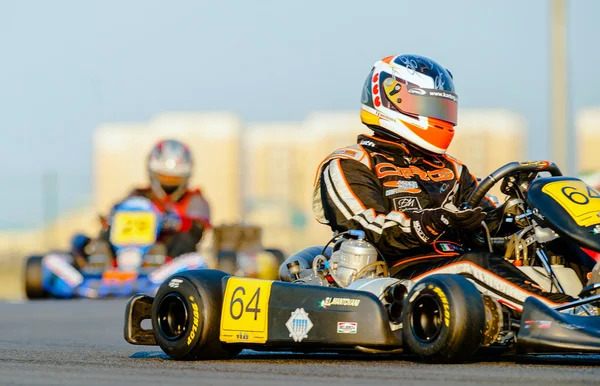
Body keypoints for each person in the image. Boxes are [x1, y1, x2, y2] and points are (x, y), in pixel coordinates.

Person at [312, 54, 587, 310]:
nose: (440, 116)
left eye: (444, 106)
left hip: (455, 266)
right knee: (473, 264)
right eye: (431, 105)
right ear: (390, 100)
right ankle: (564, 313)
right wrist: (437, 220)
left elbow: (489, 224)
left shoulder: (452, 169)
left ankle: (591, 297)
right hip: (395, 273)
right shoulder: (350, 163)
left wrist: (516, 212)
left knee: (554, 238)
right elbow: (371, 230)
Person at [72, 139, 211, 266]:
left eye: (173, 179)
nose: (168, 184)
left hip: (168, 255)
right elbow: (120, 211)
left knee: (184, 238)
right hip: (129, 250)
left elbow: (198, 228)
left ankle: (164, 269)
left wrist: (176, 222)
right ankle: (98, 265)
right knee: (93, 236)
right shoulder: (139, 195)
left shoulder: (194, 199)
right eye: (163, 177)